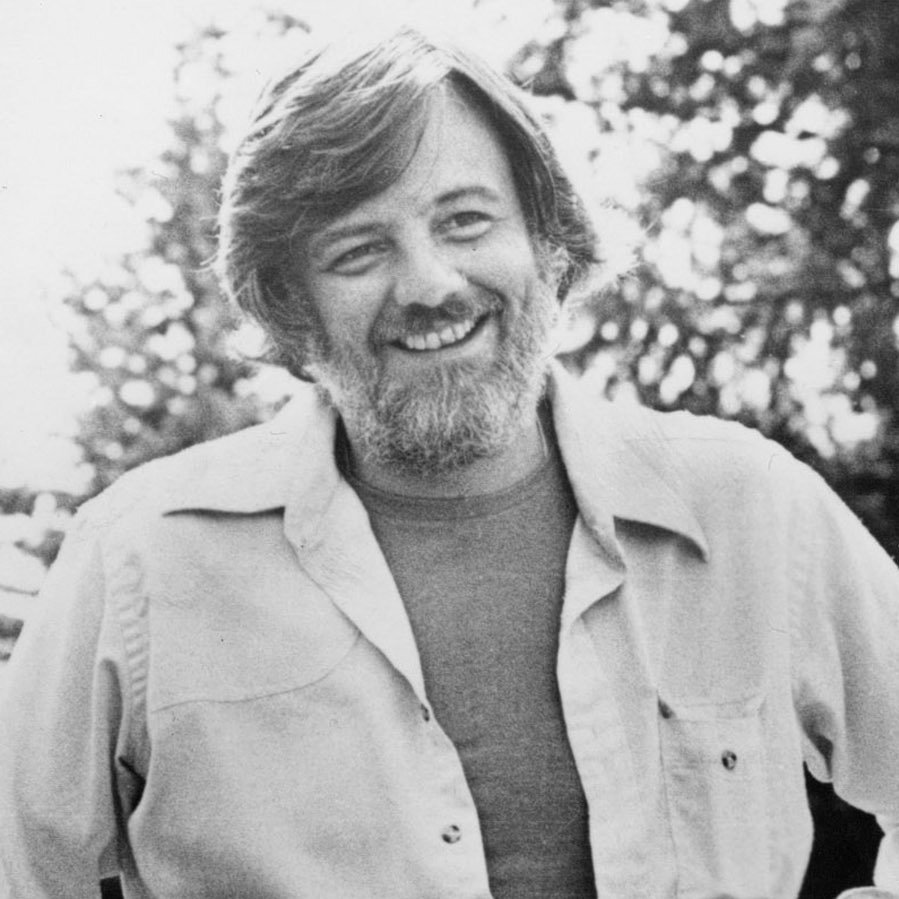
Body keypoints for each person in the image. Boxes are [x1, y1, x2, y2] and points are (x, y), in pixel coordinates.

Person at [1, 25, 898, 899]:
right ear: (290, 303)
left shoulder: (747, 507)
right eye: (358, 250)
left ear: (547, 241)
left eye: (466, 220)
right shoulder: (139, 559)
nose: (429, 284)